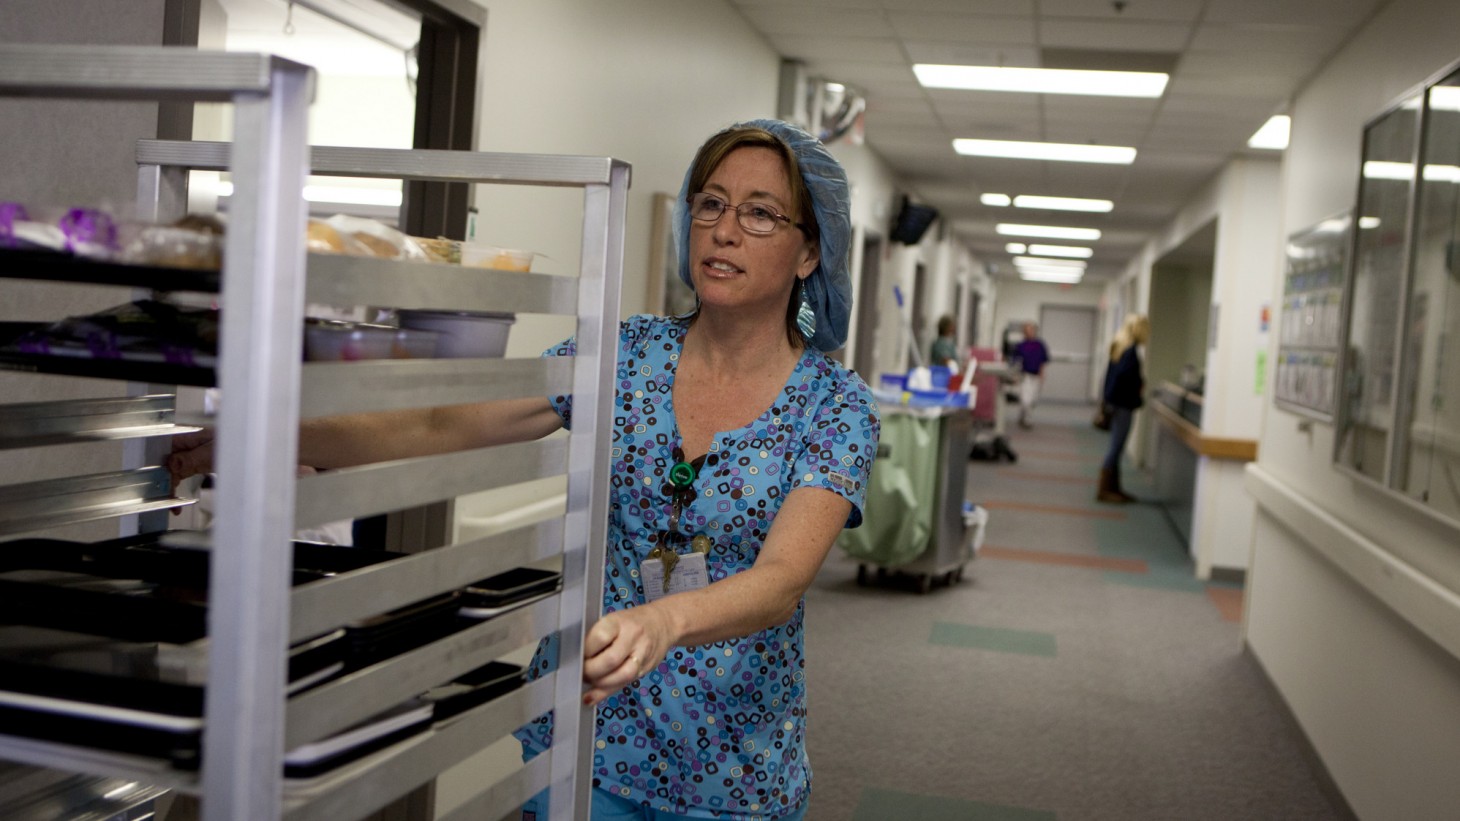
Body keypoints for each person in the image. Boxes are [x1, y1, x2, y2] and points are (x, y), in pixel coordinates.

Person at [168, 118, 879, 821]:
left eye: (760, 213)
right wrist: (272, 436)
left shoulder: (835, 405)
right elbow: (443, 423)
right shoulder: (626, 353)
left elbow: (781, 580)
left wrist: (663, 621)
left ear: (810, 253)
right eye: (711, 203)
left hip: (734, 768)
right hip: (590, 737)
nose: (725, 229)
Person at [1097, 313, 1149, 503]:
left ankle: (1114, 488)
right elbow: (1123, 379)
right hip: (1123, 405)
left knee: (1116, 446)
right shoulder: (1130, 352)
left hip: (1115, 403)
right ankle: (1105, 489)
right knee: (1116, 447)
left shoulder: (1119, 347)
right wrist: (1139, 385)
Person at [1013, 322, 1049, 428]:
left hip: (1036, 376)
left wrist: (1042, 374)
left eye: (1031, 330)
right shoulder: (1020, 346)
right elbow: (1016, 362)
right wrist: (1015, 376)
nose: (1029, 332)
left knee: (1032, 400)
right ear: (1024, 332)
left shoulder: (1040, 345)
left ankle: (1023, 416)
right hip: (1024, 376)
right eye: (1027, 330)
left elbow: (1043, 361)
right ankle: (1028, 421)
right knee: (1025, 400)